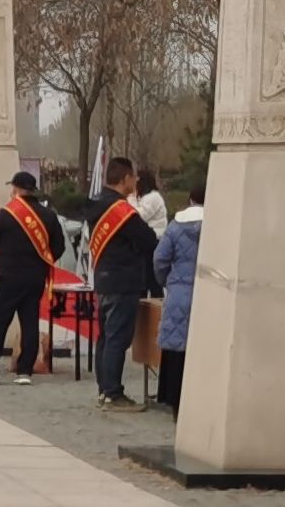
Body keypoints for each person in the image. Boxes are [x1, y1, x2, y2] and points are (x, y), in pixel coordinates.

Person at [85, 156, 159, 412]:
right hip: (122, 280)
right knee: (117, 338)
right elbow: (148, 239)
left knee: (106, 337)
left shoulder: (96, 203)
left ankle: (104, 390)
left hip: (103, 278)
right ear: (125, 178)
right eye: (133, 177)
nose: (136, 181)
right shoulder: (121, 210)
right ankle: (114, 394)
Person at [0, 170, 59, 386]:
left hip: (9, 276)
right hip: (36, 277)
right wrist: (40, 261)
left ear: (17, 189)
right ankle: (25, 371)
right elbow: (58, 247)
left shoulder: (6, 214)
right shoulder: (48, 215)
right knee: (29, 322)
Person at [153, 180, 204, 412]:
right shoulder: (218, 225)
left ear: (190, 199)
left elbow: (159, 259)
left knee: (176, 347)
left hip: (179, 293)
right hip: (207, 294)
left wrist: (168, 282)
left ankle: (174, 401)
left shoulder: (175, 226)